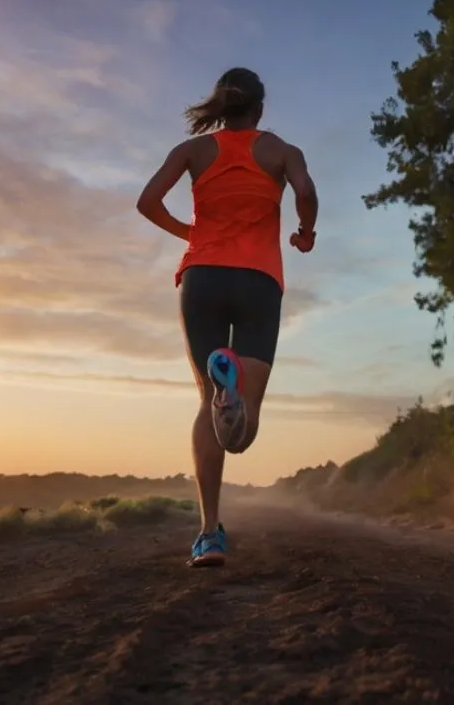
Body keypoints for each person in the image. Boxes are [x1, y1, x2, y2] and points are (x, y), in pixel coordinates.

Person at [136, 67, 318, 567]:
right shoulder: (281, 150)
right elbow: (305, 191)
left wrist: (190, 236)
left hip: (203, 279)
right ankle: (234, 392)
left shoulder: (191, 152)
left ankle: (209, 533)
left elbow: (147, 201)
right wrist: (304, 232)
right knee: (241, 431)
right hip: (258, 281)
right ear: (259, 109)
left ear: (220, 106)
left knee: (205, 405)